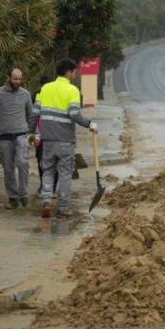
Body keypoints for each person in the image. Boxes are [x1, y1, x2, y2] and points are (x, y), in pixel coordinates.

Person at [33, 59, 97, 218]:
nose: (75, 74)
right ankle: (62, 209)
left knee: (47, 171)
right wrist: (90, 124)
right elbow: (74, 114)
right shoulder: (72, 90)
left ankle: (46, 201)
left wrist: (31, 132)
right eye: (74, 72)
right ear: (68, 72)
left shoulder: (45, 88)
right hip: (65, 141)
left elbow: (35, 113)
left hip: (47, 140)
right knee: (65, 174)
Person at [0, 68, 35, 209]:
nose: (18, 81)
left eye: (19, 79)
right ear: (8, 77)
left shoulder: (25, 94)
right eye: (15, 79)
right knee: (8, 168)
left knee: (23, 162)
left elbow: (31, 116)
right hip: (4, 136)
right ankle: (13, 197)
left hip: (21, 135)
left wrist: (32, 134)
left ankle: (23, 193)